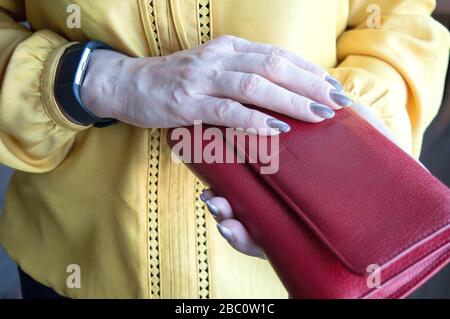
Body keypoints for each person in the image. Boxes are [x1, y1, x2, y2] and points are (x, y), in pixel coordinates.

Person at [0, 0, 448, 298]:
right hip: (76, 265)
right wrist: (97, 80)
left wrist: (353, 146)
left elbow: (398, 15)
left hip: (283, 282)